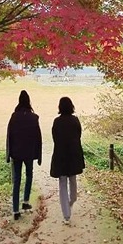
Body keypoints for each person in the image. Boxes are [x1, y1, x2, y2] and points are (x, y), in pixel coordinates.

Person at [6, 90, 42, 220]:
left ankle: (15, 210)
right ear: (29, 101)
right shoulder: (34, 117)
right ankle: (25, 201)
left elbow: (9, 135)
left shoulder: (14, 116)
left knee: (17, 180)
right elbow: (38, 136)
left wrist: (9, 154)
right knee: (29, 175)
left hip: (16, 153)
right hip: (29, 152)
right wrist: (38, 154)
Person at [50, 96, 85, 224]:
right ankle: (70, 203)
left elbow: (54, 137)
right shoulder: (75, 120)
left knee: (63, 183)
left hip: (60, 155)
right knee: (73, 180)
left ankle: (66, 213)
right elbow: (78, 135)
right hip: (73, 154)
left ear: (60, 107)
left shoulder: (56, 121)